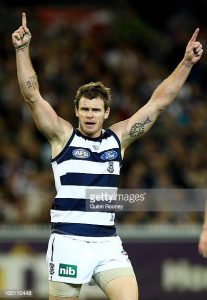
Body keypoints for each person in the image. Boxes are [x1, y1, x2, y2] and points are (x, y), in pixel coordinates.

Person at [12, 12, 203, 300]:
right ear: (77, 111)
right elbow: (32, 96)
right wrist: (22, 50)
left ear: (106, 113)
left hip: (106, 243)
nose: (90, 115)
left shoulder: (118, 138)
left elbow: (159, 102)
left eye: (96, 110)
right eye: (85, 109)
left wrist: (186, 63)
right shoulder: (62, 137)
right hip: (69, 241)